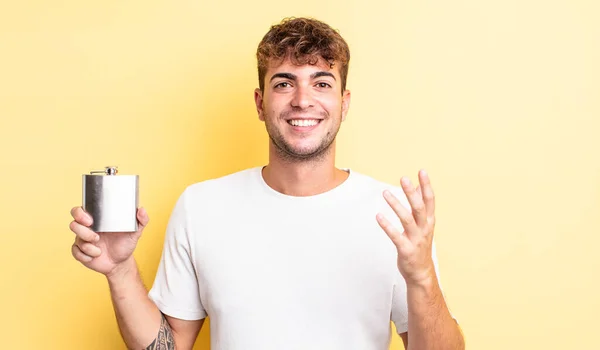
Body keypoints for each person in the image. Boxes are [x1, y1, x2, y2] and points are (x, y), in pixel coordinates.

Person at [69, 17, 465, 350]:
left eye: (322, 83)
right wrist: (120, 271)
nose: (302, 100)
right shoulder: (201, 206)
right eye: (284, 83)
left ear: (344, 103)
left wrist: (421, 277)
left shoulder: (394, 216)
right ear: (260, 103)